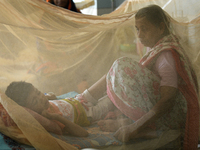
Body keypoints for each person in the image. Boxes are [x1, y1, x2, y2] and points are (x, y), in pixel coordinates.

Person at [75, 4, 199, 149]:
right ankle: (88, 104)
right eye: (138, 29)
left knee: (122, 66)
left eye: (145, 29)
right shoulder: (157, 48)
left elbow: (168, 100)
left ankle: (89, 105)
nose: (139, 34)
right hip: (165, 113)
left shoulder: (167, 56)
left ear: (161, 28)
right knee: (117, 71)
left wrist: (135, 128)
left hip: (172, 118)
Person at [5, 81, 89, 137]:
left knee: (102, 81)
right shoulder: (49, 118)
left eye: (38, 92)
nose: (41, 98)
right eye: (35, 102)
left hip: (78, 99)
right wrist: (57, 118)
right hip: (88, 112)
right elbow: (84, 134)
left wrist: (49, 96)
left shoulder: (44, 102)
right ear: (30, 111)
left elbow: (52, 96)